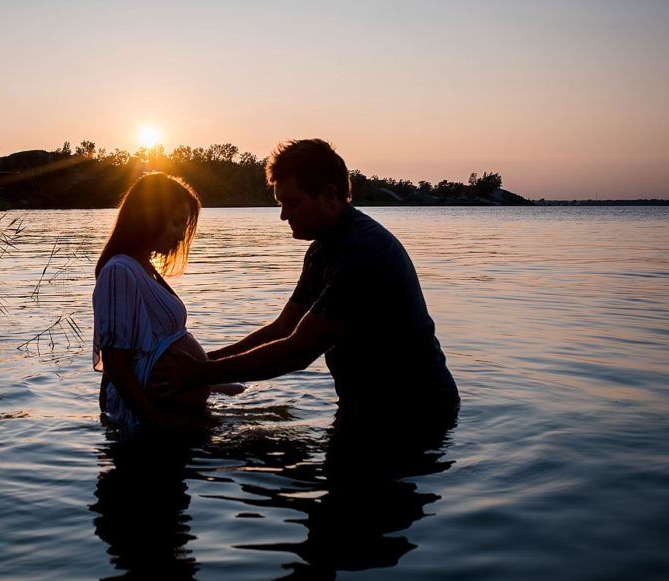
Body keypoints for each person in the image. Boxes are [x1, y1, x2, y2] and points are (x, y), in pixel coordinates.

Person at [154, 139, 459, 433]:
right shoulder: (322, 249)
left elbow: (297, 352)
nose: (283, 215)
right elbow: (283, 328)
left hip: (415, 415)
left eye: (292, 203)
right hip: (366, 410)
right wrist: (203, 362)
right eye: (280, 203)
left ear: (329, 196)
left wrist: (200, 373)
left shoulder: (364, 255)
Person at [92, 171, 241, 438]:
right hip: (157, 416)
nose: (181, 236)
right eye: (176, 223)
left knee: (242, 390)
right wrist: (159, 425)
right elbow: (116, 366)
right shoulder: (119, 271)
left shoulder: (144, 267)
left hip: (176, 404)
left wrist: (205, 371)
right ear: (150, 218)